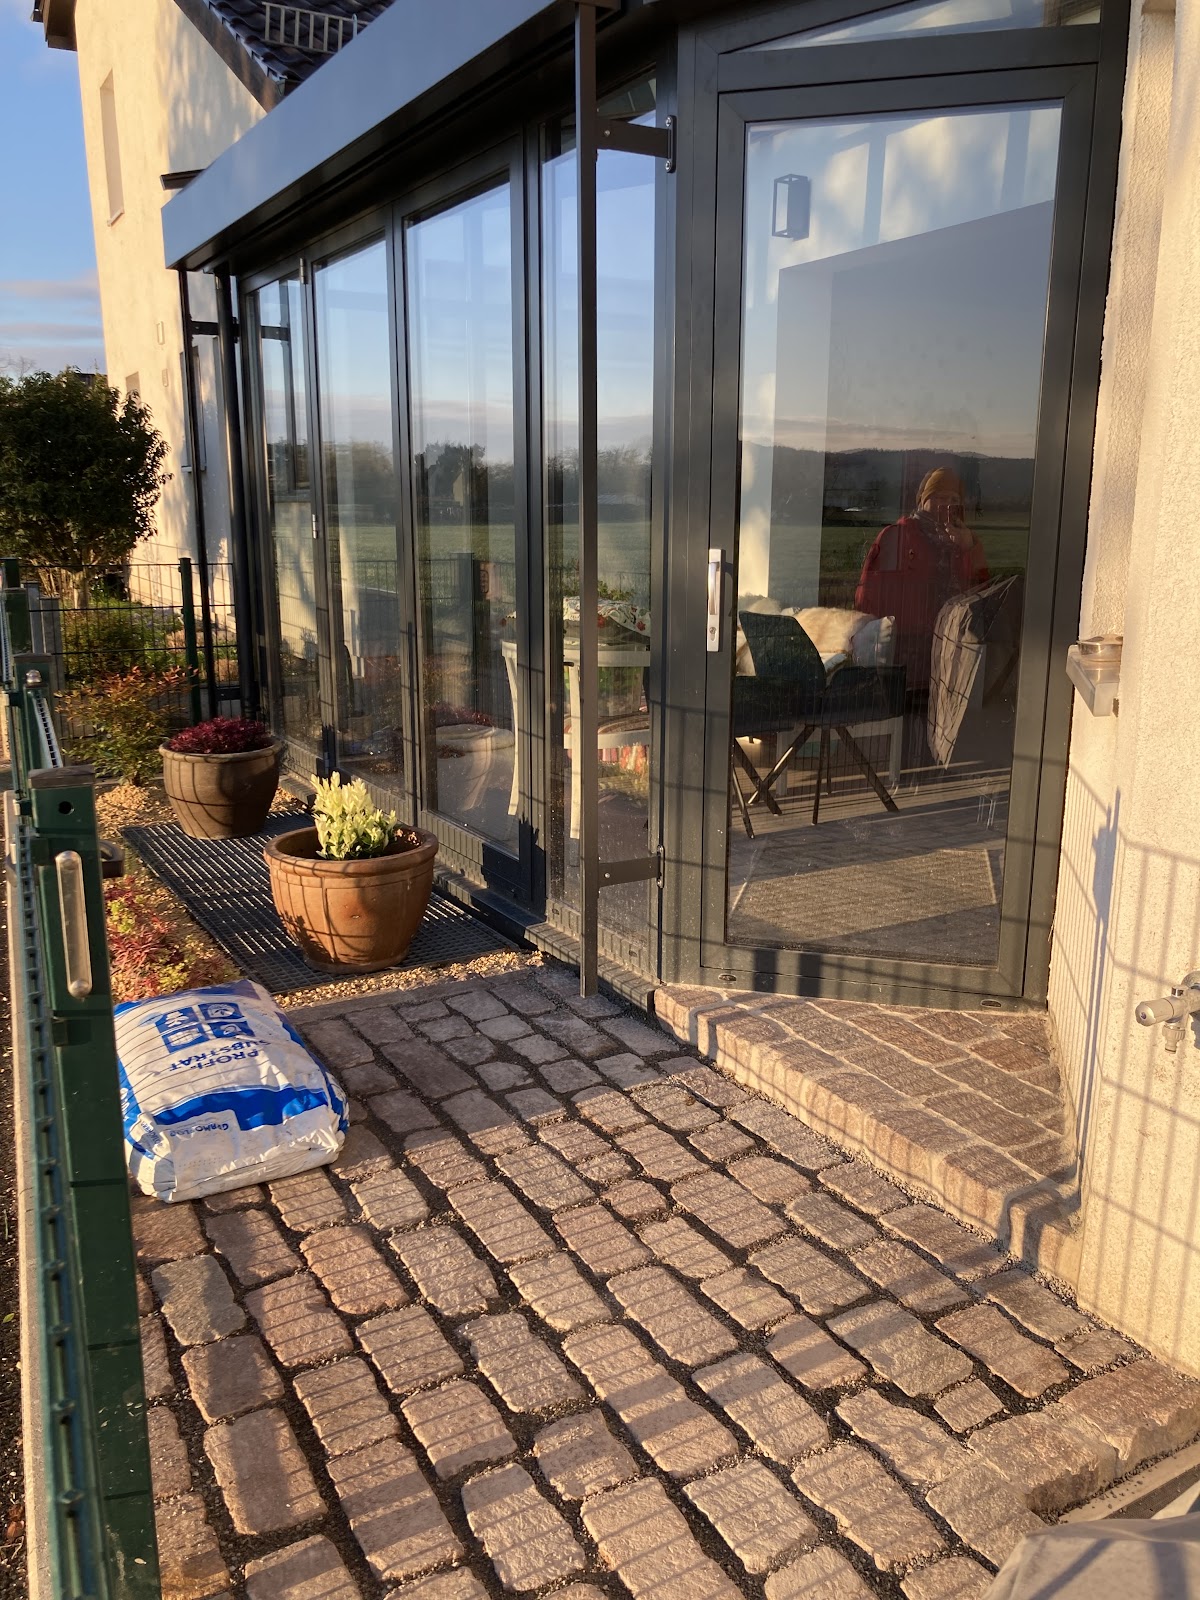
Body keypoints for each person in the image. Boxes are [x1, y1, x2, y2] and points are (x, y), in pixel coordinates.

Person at [854, 467, 989, 692]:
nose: (946, 504)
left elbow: (981, 591)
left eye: (953, 499)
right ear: (923, 500)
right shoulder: (898, 536)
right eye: (939, 497)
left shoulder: (965, 541)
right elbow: (868, 594)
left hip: (952, 646)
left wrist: (969, 548)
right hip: (905, 651)